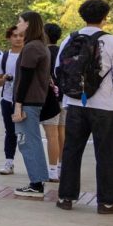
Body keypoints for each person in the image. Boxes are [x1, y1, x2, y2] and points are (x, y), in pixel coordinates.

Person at [55, 0, 113, 214]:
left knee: (71, 150)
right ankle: (107, 202)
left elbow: (58, 71)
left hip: (74, 103)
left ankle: (65, 197)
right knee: (105, 154)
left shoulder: (68, 40)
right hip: (104, 105)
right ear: (105, 17)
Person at [11, 11, 53, 198]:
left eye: (20, 22)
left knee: (28, 141)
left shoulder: (32, 47)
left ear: (28, 24)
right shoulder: (39, 46)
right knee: (30, 141)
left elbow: (25, 78)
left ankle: (36, 184)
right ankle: (37, 181)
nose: (17, 25)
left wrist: (18, 104)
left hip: (28, 101)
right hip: (32, 100)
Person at [0, 27, 23, 175]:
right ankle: (9, 162)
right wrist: (4, 78)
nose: (18, 38)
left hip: (27, 102)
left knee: (28, 134)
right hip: (8, 100)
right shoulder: (2, 58)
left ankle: (34, 164)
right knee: (10, 132)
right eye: (15, 36)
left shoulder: (29, 55)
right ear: (9, 38)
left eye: (21, 35)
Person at [42, 22, 65, 182]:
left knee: (51, 135)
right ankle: (62, 167)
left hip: (50, 98)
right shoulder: (64, 52)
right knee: (62, 133)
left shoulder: (44, 53)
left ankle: (52, 170)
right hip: (65, 97)